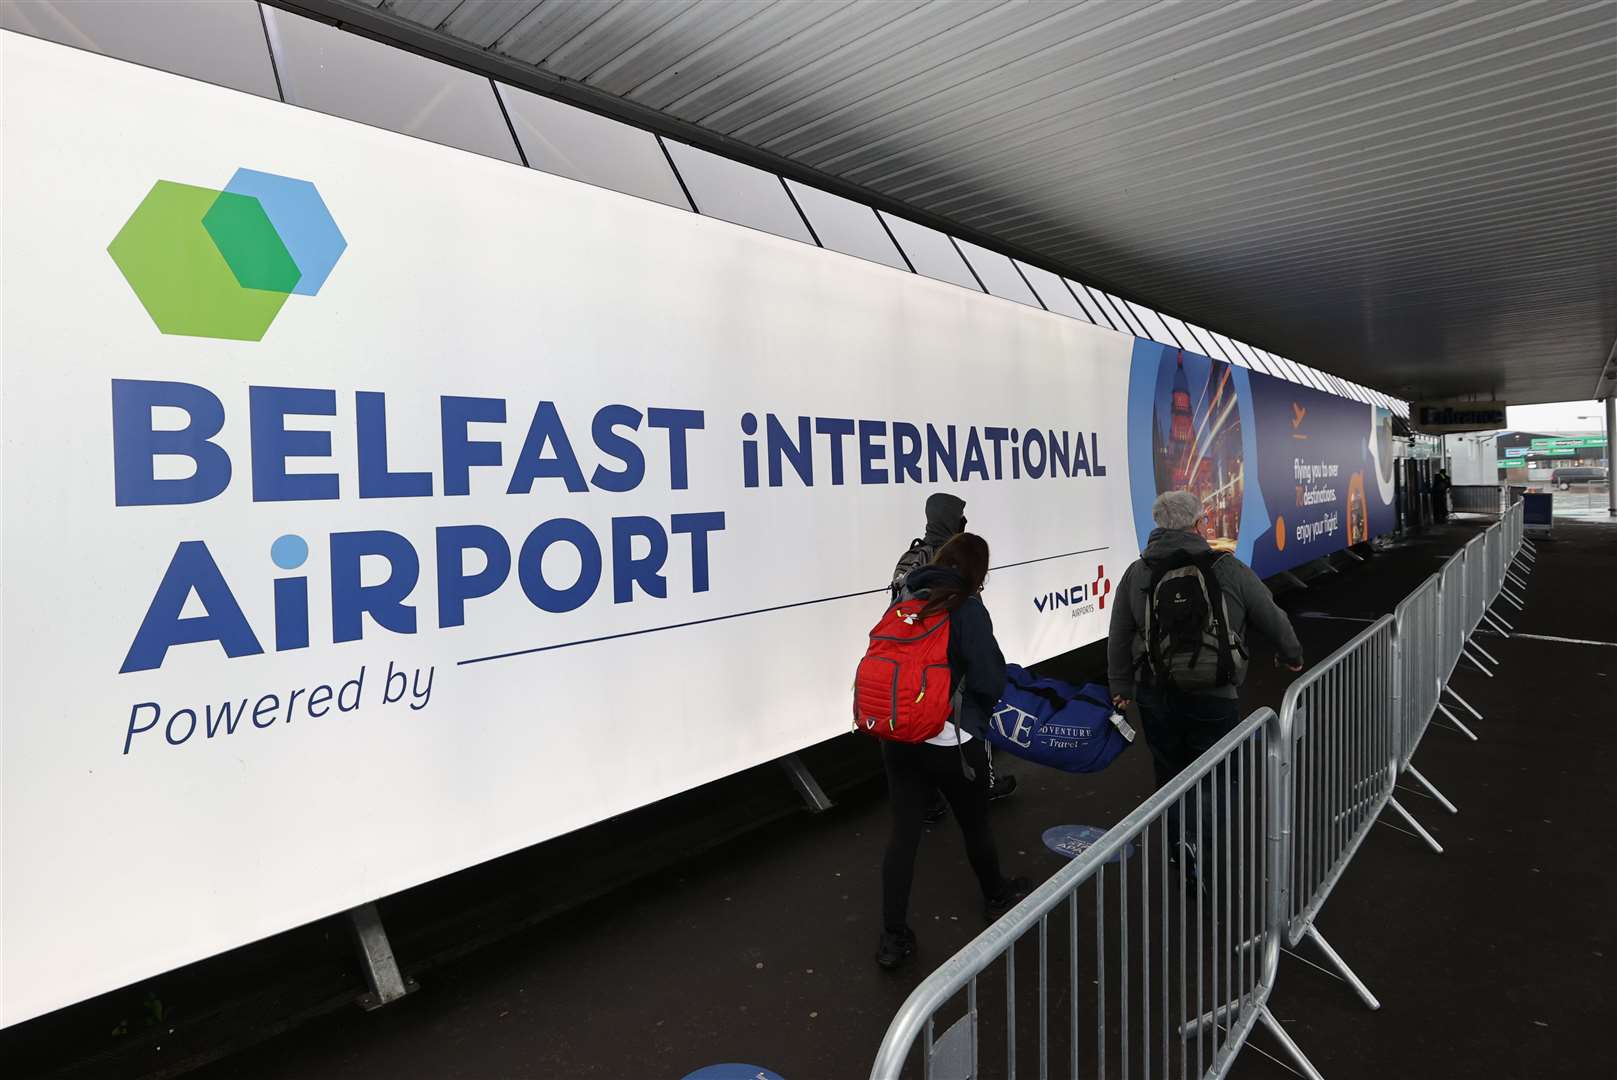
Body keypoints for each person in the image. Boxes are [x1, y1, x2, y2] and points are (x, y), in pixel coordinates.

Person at [1106, 491, 1304, 864]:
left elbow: (1119, 637)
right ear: (1199, 525)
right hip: (1215, 692)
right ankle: (1205, 851)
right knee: (1216, 774)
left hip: (1155, 692)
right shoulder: (1226, 568)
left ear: (1158, 526)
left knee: (1169, 772)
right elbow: (1272, 616)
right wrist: (1290, 654)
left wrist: (1121, 688)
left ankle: (1179, 845)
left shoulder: (1137, 573)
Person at [876, 533, 1031, 970]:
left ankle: (892, 937)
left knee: (902, 835)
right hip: (951, 739)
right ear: (978, 571)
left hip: (899, 733)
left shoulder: (906, 593)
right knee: (975, 822)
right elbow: (987, 677)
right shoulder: (965, 606)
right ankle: (996, 896)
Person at [890, 494, 1017, 819]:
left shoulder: (911, 556)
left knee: (921, 731)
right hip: (950, 667)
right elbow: (972, 623)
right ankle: (984, 783)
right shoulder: (958, 557)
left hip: (912, 666)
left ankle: (930, 801)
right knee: (963, 727)